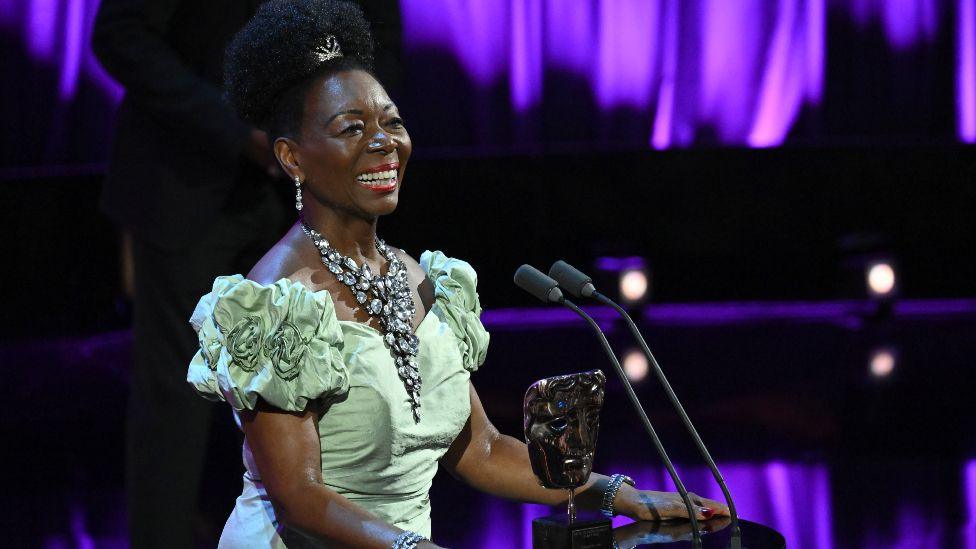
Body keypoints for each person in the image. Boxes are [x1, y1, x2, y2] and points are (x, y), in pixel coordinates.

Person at [186, 1, 729, 547]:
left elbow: (482, 451)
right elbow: (299, 498)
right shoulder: (275, 301)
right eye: (352, 128)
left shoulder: (425, 281)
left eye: (392, 122)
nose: (384, 142)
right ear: (292, 158)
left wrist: (616, 494)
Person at [91, 1, 289, 547]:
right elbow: (121, 35)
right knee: (176, 395)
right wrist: (232, 128)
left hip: (294, 194)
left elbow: (373, 30)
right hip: (182, 181)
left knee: (300, 393)